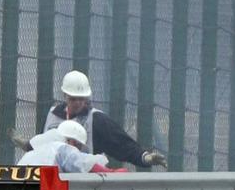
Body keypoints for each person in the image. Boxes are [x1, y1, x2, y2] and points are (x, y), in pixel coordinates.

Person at [11, 70, 166, 168]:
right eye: (73, 98)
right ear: (65, 96)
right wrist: (28, 145)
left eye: (81, 98)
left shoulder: (97, 120)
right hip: (52, 182)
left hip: (82, 184)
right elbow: (45, 149)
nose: (78, 103)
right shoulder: (53, 115)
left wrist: (144, 157)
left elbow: (122, 144)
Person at [17, 120, 123, 173]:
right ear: (70, 140)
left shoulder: (34, 152)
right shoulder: (61, 149)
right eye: (78, 146)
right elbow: (84, 164)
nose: (77, 150)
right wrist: (111, 173)